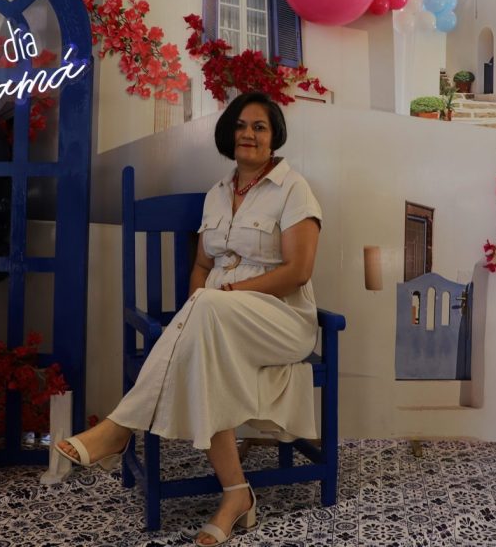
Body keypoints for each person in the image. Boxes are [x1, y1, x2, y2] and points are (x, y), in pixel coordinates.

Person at [56, 91, 322, 546]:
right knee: (204, 337)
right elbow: (201, 265)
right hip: (218, 318)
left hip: (279, 320)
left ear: (274, 136)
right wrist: (204, 301)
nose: (248, 134)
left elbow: (298, 271)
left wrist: (228, 294)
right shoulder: (216, 195)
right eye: (240, 125)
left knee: (206, 308)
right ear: (228, 135)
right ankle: (236, 496)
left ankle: (121, 427)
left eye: (259, 127)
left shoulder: (293, 188)